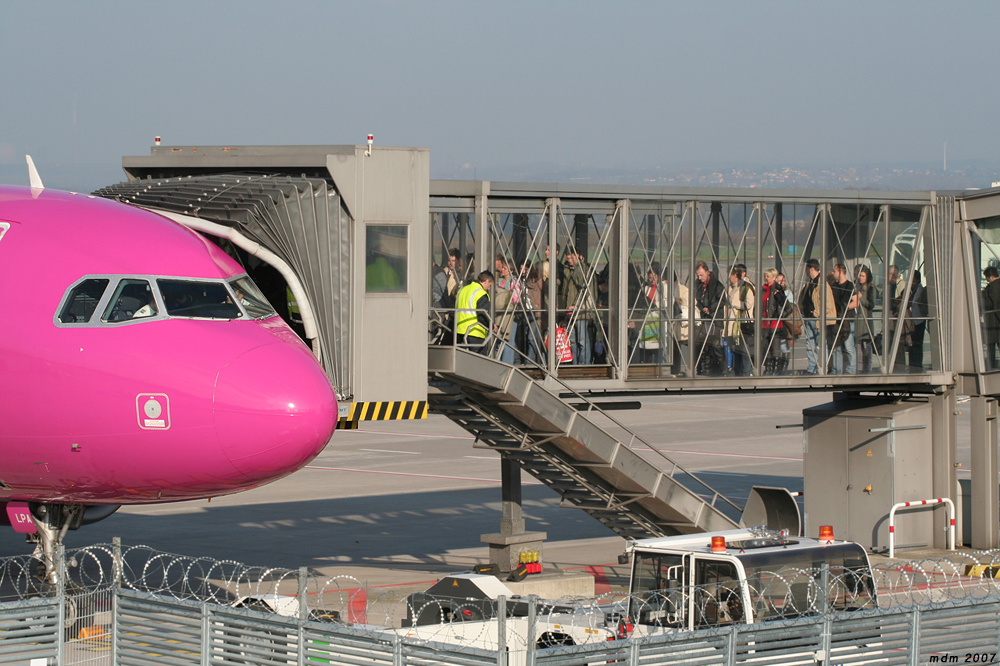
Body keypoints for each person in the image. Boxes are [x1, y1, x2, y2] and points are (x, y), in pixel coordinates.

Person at [798, 258, 836, 375]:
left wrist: (816, 313)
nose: (805, 270)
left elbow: (827, 304)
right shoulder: (809, 282)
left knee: (820, 344)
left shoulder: (821, 283)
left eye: (806, 268)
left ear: (812, 268)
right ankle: (812, 367)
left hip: (817, 318)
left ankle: (821, 367)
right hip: (809, 318)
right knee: (810, 344)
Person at [560, 251, 593, 365]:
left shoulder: (583, 270)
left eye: (571, 258)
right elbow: (565, 292)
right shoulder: (567, 270)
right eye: (567, 258)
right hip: (569, 311)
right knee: (572, 341)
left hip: (580, 311)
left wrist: (578, 306)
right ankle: (575, 363)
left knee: (582, 341)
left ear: (577, 256)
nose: (569, 260)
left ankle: (584, 364)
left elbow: (587, 291)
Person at [695, 261, 726, 376]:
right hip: (703, 319)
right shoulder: (697, 284)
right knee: (699, 344)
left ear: (708, 272)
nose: (699, 277)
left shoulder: (717, 285)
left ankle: (723, 370)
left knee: (716, 345)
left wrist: (710, 308)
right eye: (698, 275)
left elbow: (722, 300)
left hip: (715, 319)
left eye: (701, 275)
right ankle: (701, 369)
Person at [455, 271, 495, 354]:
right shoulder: (481, 293)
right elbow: (482, 314)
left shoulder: (462, 290)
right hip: (475, 331)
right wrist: (491, 326)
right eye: (490, 285)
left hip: (460, 331)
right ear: (486, 281)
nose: (489, 288)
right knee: (479, 361)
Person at [726, 266, 754, 376]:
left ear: (735, 275)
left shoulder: (745, 287)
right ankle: (736, 371)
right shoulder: (731, 288)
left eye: (730, 274)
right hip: (733, 324)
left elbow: (749, 304)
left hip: (743, 324)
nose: (728, 277)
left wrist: (734, 302)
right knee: (735, 349)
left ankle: (745, 373)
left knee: (744, 351)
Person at [830, 264, 857, 375]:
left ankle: (851, 369)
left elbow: (855, 302)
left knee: (848, 345)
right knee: (837, 346)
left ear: (840, 271)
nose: (833, 273)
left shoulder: (850, 285)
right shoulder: (834, 286)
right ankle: (837, 369)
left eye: (834, 271)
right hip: (837, 319)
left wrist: (844, 308)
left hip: (847, 319)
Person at [760, 268, 787, 375]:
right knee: (765, 346)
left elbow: (786, 307)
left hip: (775, 323)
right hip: (764, 322)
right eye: (765, 276)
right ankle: (768, 368)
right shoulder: (763, 289)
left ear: (774, 278)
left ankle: (776, 369)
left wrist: (779, 316)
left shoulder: (777, 289)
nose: (766, 278)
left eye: (768, 276)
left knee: (775, 347)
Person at [854, 265, 878, 374]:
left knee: (867, 347)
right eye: (860, 275)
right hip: (857, 320)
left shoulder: (870, 288)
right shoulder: (856, 286)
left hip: (865, 320)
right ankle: (859, 369)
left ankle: (867, 369)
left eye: (863, 276)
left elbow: (871, 304)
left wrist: (861, 297)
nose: (861, 278)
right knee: (858, 347)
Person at [907, 269, 928, 372]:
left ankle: (917, 364)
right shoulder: (913, 291)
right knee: (912, 344)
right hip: (913, 321)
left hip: (919, 320)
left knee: (917, 343)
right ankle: (913, 364)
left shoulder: (920, 291)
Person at [985, 266, 1000, 370]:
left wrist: (981, 301)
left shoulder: (994, 286)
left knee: (991, 347)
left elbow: (993, 302)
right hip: (996, 321)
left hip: (993, 321)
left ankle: (990, 367)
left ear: (990, 276)